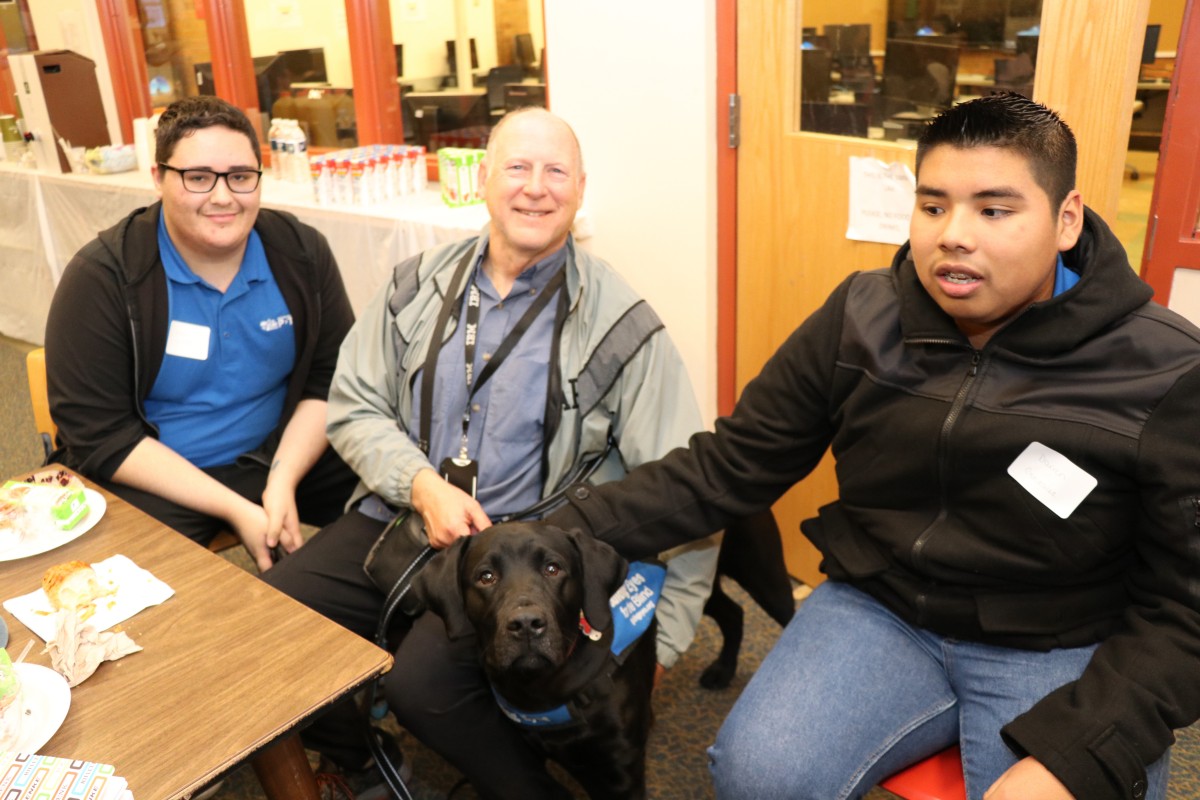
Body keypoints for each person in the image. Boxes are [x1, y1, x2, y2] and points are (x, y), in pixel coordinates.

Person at [546, 92, 1200, 800]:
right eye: (932, 206)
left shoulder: (1162, 371)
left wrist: (1081, 749)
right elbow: (729, 467)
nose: (954, 234)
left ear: (1065, 219)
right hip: (884, 610)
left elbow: (1187, 610)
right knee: (759, 776)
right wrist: (554, 529)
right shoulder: (861, 316)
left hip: (1057, 637)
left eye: (994, 210)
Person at [262, 107, 719, 796]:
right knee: (270, 621)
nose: (536, 187)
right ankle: (360, 759)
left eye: (555, 171)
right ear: (484, 180)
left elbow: (689, 487)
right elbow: (354, 406)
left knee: (423, 686)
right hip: (407, 512)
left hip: (525, 551)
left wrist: (665, 642)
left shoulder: (626, 327)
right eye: (517, 167)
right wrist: (420, 485)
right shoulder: (412, 287)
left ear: (580, 189)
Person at [45, 96, 358, 572]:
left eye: (240, 176)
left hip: (281, 455)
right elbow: (100, 436)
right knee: (121, 596)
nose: (222, 197)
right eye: (197, 177)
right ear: (158, 178)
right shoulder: (104, 277)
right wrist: (234, 507)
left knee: (401, 503)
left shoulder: (300, 253)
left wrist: (282, 479)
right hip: (159, 476)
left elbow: (330, 378)